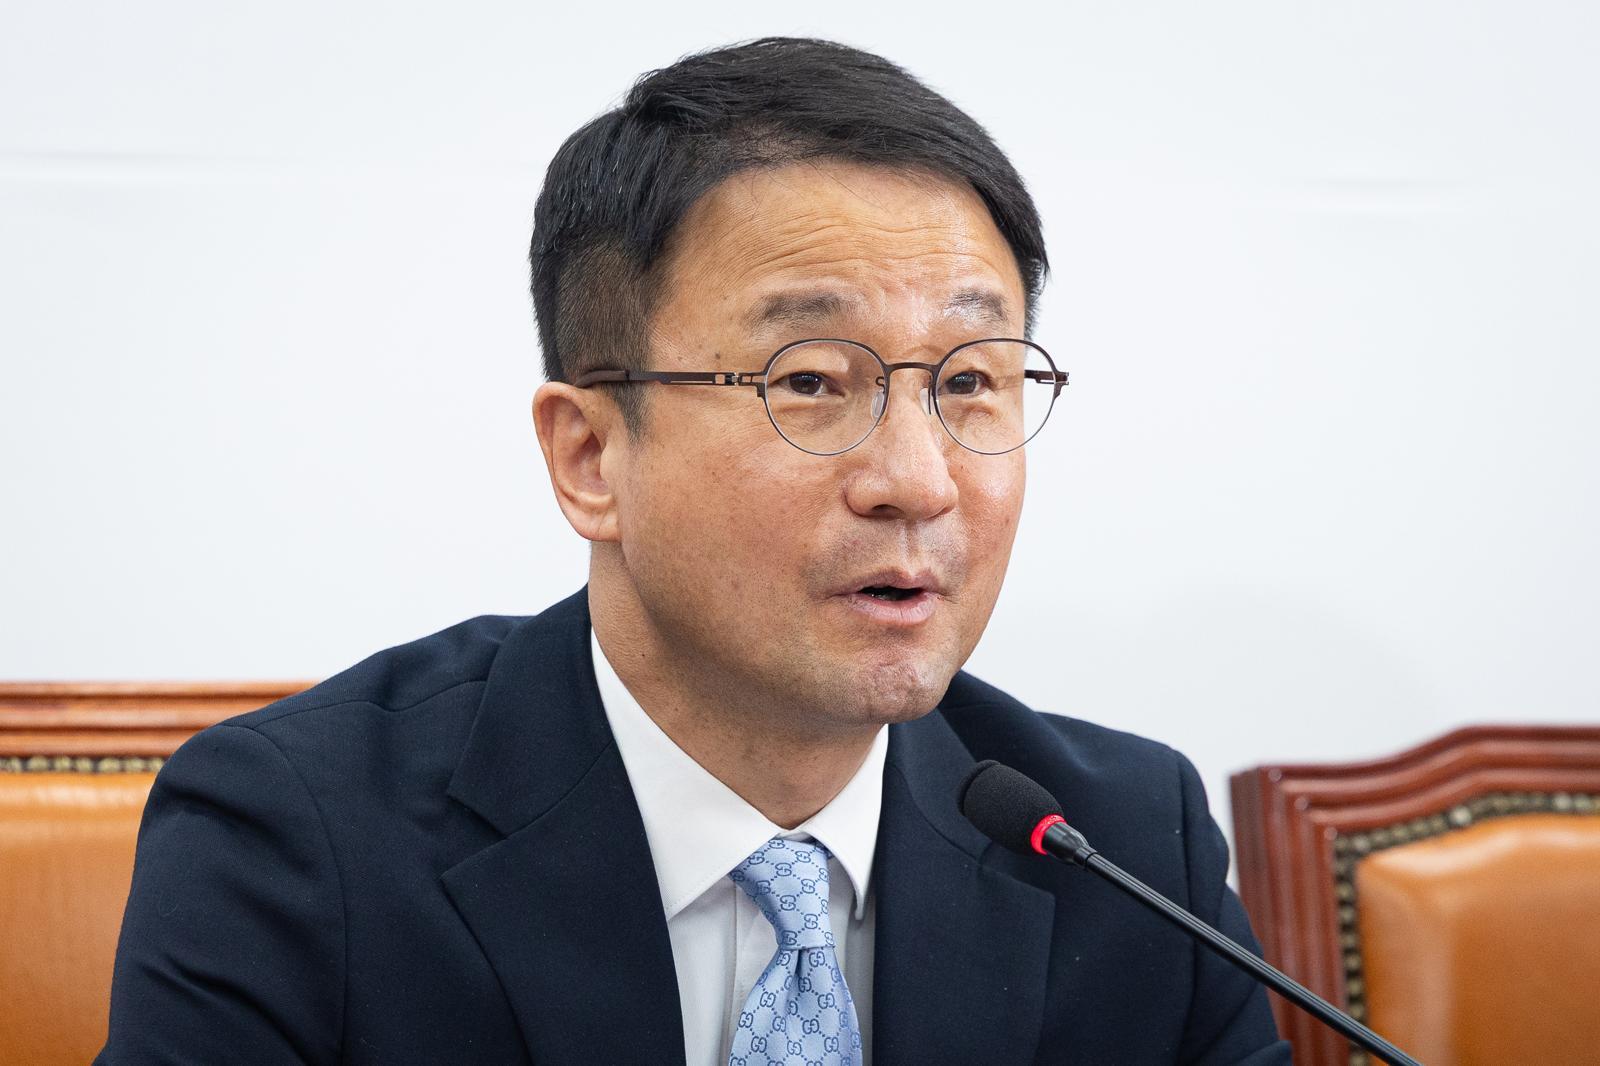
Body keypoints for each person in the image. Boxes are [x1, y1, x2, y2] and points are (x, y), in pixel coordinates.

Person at [97, 37, 1289, 1066]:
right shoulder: (301, 844)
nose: (919, 480)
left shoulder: (1125, 850)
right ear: (590, 456)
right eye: (810, 381)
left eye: (971, 382)